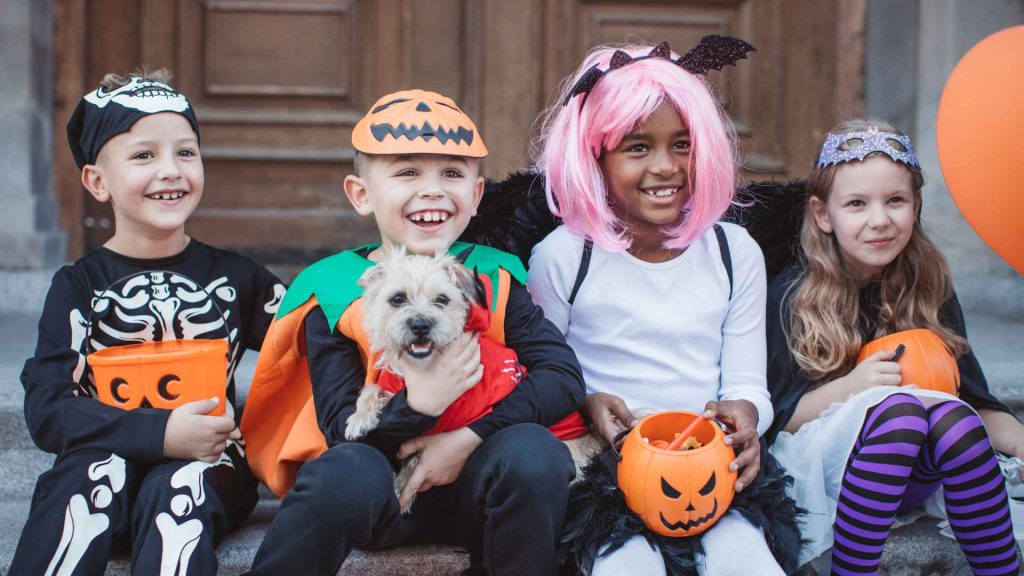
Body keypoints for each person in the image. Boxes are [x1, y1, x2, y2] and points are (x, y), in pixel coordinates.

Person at [239, 89, 586, 576]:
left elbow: (563, 378)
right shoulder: (334, 289)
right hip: (380, 496)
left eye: (451, 174)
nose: (432, 190)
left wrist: (467, 437)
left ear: (476, 195)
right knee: (344, 468)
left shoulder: (493, 278)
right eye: (407, 172)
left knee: (534, 452)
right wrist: (419, 403)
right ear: (361, 194)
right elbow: (342, 428)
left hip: (478, 489)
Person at [527, 40, 801, 576]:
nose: (665, 166)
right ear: (595, 158)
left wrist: (747, 414)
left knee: (745, 555)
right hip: (605, 470)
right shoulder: (564, 256)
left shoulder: (733, 252)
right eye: (637, 148)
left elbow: (748, 382)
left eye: (682, 144)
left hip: (709, 463)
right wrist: (584, 403)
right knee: (626, 564)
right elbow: (542, 379)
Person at [12, 70, 285, 575]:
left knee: (179, 487)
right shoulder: (77, 287)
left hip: (206, 468)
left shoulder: (238, 277)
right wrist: (161, 432)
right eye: (144, 155)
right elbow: (48, 409)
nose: (171, 171)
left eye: (186, 152)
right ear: (97, 182)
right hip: (101, 464)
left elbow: (309, 342)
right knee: (84, 479)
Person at [765, 118, 1021, 575]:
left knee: (956, 419)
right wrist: (854, 387)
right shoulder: (792, 295)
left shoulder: (928, 287)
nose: (880, 220)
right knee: (900, 410)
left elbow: (975, 400)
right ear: (823, 214)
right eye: (857, 204)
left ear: (915, 205)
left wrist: (1020, 442)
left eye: (895, 201)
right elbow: (775, 419)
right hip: (823, 473)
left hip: (915, 469)